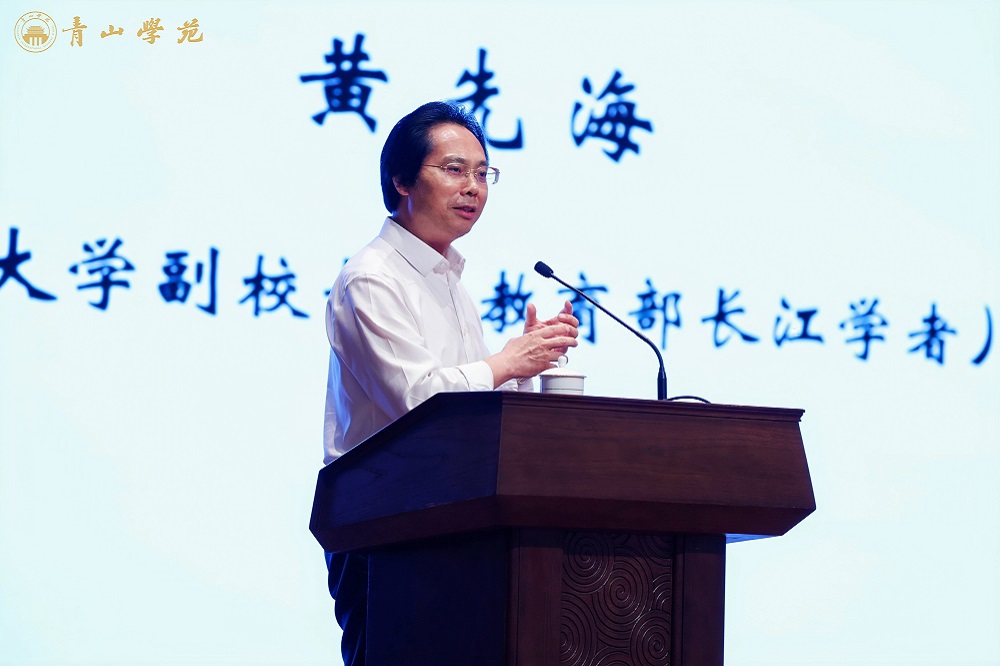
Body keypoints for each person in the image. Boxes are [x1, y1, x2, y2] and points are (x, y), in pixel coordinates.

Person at [321, 100, 579, 666]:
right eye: (454, 169)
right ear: (401, 180)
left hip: (454, 520)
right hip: (384, 527)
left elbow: (468, 414)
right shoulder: (372, 279)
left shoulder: (450, 281)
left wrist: (527, 368)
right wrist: (506, 362)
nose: (473, 188)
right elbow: (418, 401)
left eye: (483, 174)